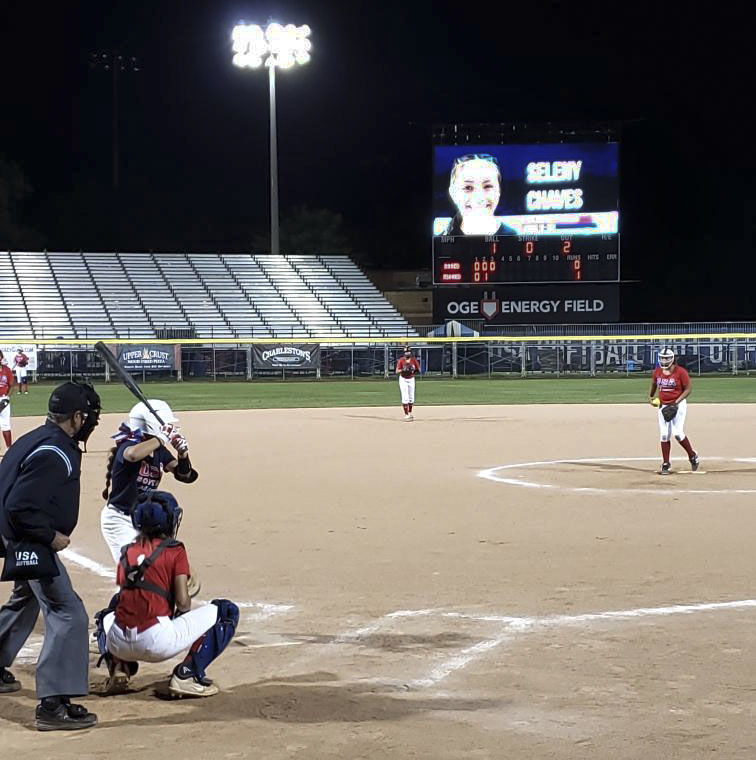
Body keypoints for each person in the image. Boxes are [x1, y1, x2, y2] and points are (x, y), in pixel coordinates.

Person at [0, 381, 101, 731]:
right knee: (67, 611)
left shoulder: (37, 438)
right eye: (88, 417)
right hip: (29, 538)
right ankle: (52, 705)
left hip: (16, 534)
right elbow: (20, 505)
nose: (91, 423)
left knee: (25, 598)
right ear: (75, 417)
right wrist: (50, 536)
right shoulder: (54, 453)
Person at [94, 490, 238, 698]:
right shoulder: (175, 550)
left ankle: (118, 667)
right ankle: (187, 676)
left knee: (105, 615)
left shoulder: (126, 550)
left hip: (119, 643)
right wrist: (184, 590)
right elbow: (183, 604)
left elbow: (123, 597)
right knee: (226, 611)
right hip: (157, 643)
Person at [100, 400, 198, 564]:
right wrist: (161, 438)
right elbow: (131, 455)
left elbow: (185, 476)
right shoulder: (129, 444)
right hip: (120, 520)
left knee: (156, 567)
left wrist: (182, 454)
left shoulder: (158, 450)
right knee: (137, 569)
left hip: (142, 519)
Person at [649, 348, 699, 475]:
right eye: (661, 358)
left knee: (677, 433)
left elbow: (688, 389)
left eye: (666, 358)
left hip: (678, 404)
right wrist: (651, 396)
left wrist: (676, 402)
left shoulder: (680, 372)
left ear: (672, 359)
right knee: (664, 434)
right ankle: (666, 463)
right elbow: (654, 384)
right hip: (663, 405)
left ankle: (692, 455)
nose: (663, 360)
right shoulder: (657, 372)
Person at [441, 153, 517, 236]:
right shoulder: (441, 241)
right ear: (453, 193)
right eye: (468, 187)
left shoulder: (514, 237)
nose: (479, 197)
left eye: (487, 186)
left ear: (498, 191)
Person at [396, 347, 421, 421]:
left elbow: (419, 369)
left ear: (410, 352)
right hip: (403, 379)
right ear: (404, 353)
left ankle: (409, 413)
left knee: (411, 397)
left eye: (408, 352)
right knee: (405, 397)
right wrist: (403, 370)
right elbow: (397, 371)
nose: (407, 353)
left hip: (411, 379)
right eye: (406, 352)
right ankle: (406, 415)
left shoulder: (413, 360)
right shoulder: (401, 360)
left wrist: (413, 369)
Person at [0, 359, 14, 451]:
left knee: (5, 424)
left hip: (3, 398)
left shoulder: (6, 370)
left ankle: (9, 449)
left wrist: (7, 397)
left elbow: (12, 385)